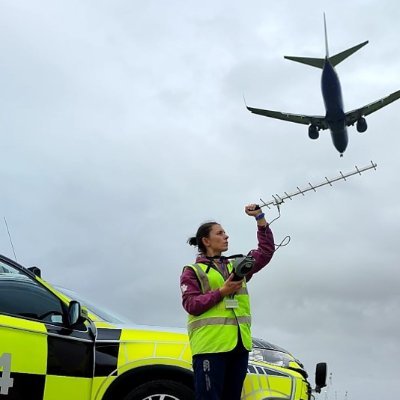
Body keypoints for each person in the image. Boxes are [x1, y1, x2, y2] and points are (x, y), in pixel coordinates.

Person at [180, 204, 275, 400]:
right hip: (210, 347)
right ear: (206, 240)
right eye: (220, 233)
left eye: (225, 232)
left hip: (239, 346)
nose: (226, 236)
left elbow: (265, 252)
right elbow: (191, 305)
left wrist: (260, 218)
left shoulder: (236, 265)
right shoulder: (191, 270)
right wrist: (221, 292)